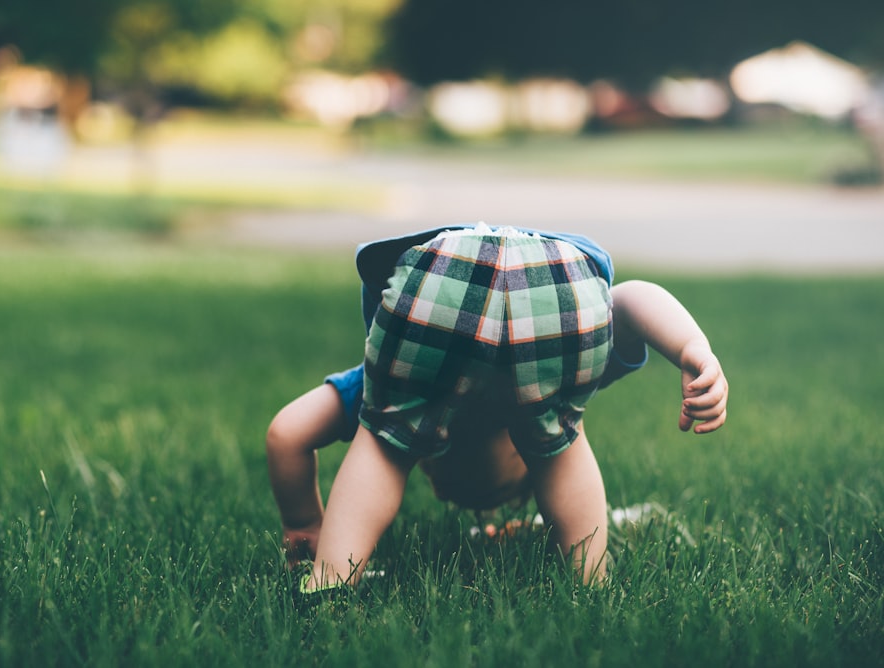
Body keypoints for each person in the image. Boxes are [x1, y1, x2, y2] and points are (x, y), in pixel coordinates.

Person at [266, 223, 728, 591]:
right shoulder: (539, 380)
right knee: (555, 441)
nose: (438, 482)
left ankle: (331, 578)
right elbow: (628, 299)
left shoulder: (397, 384)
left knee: (389, 442)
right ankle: (590, 585)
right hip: (522, 273)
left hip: (481, 275)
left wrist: (303, 519)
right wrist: (691, 347)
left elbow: (287, 432)